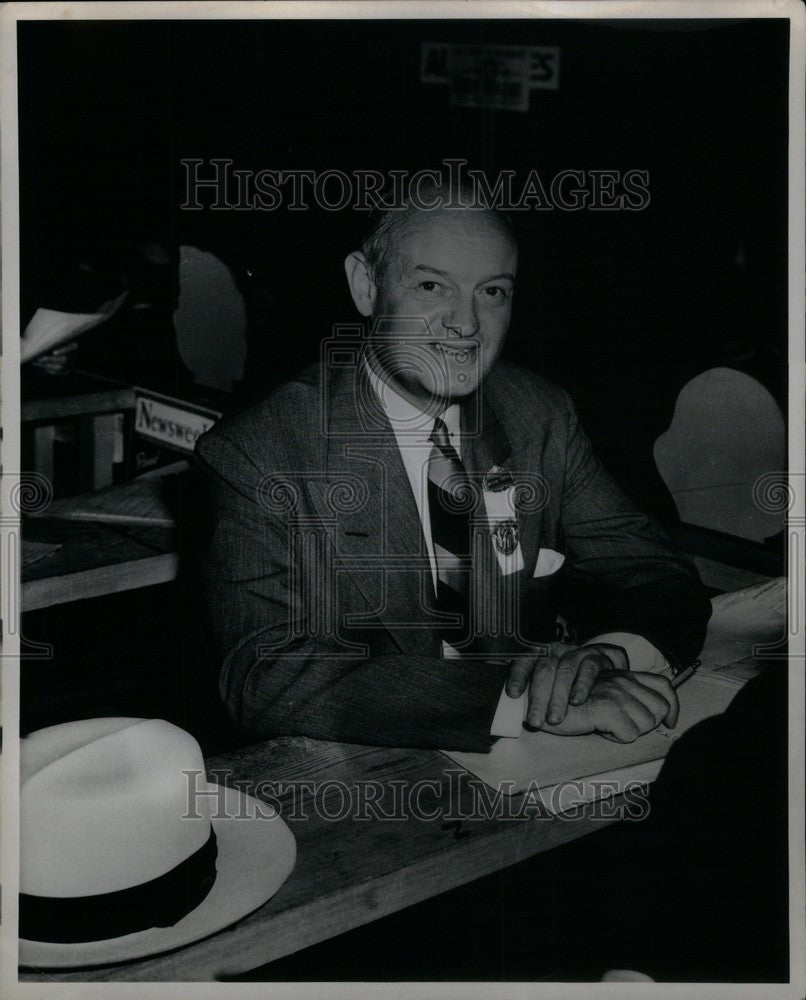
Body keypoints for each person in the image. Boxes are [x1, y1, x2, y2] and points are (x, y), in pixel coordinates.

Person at [195, 178, 711, 752]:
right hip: (365, 777)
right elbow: (269, 677)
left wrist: (606, 657)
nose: (465, 325)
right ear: (366, 285)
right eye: (431, 285)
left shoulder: (538, 413)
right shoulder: (263, 451)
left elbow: (658, 576)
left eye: (492, 292)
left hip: (538, 770)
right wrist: (520, 702)